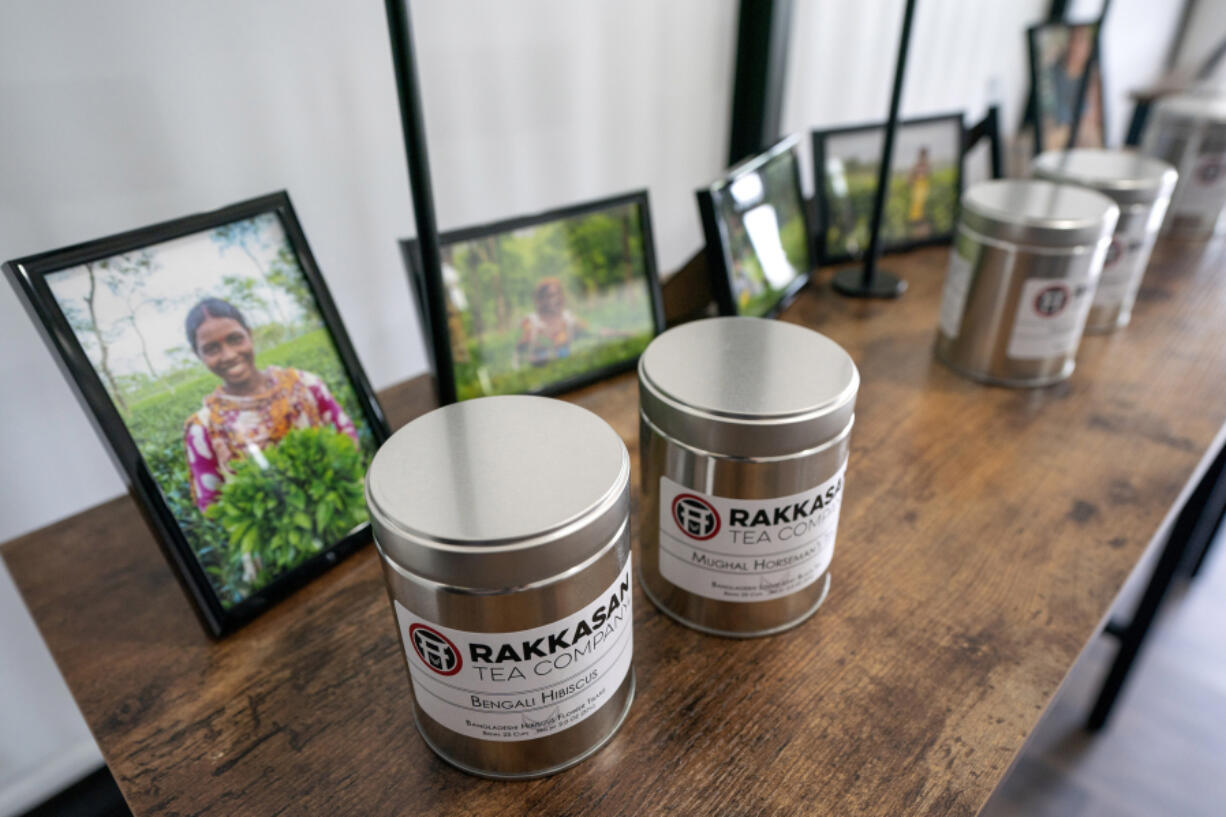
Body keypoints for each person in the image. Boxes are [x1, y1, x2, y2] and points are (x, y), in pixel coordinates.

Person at [183, 298, 359, 517]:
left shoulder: (305, 385)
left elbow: (348, 440)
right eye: (211, 349)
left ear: (249, 334)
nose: (228, 355)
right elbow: (212, 506)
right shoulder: (202, 428)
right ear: (197, 355)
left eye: (235, 339)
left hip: (340, 511)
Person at [516, 277, 626, 367]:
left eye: (559, 294)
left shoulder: (568, 320)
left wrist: (626, 334)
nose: (558, 299)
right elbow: (520, 353)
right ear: (541, 300)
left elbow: (597, 331)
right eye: (551, 295)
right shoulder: (531, 323)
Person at [906, 146, 934, 239]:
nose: (924, 157)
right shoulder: (916, 165)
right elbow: (909, 179)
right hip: (918, 188)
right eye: (923, 155)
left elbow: (929, 176)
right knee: (917, 208)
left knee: (922, 208)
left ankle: (922, 228)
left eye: (925, 155)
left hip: (924, 188)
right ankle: (918, 228)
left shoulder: (927, 165)